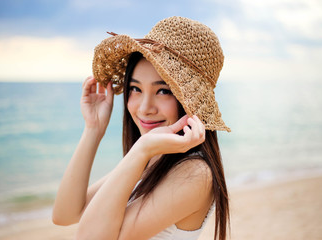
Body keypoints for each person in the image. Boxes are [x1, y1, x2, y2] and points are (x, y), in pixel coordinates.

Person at [52, 16, 231, 240]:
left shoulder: (195, 173)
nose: (145, 108)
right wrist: (93, 129)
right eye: (135, 89)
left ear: (191, 102)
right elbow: (65, 214)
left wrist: (142, 148)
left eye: (163, 91)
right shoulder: (151, 161)